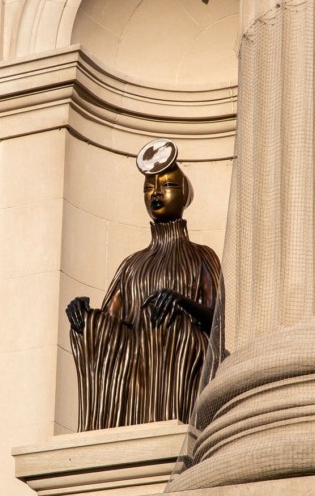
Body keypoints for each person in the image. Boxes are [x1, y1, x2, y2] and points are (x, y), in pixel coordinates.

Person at [66, 139, 222, 431]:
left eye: (168, 186)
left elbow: (217, 320)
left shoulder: (202, 255)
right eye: (149, 188)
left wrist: (180, 302)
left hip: (181, 346)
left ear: (184, 194)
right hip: (136, 353)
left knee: (164, 319)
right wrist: (84, 316)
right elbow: (111, 319)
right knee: (90, 326)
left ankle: (169, 421)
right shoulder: (132, 264)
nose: (157, 193)